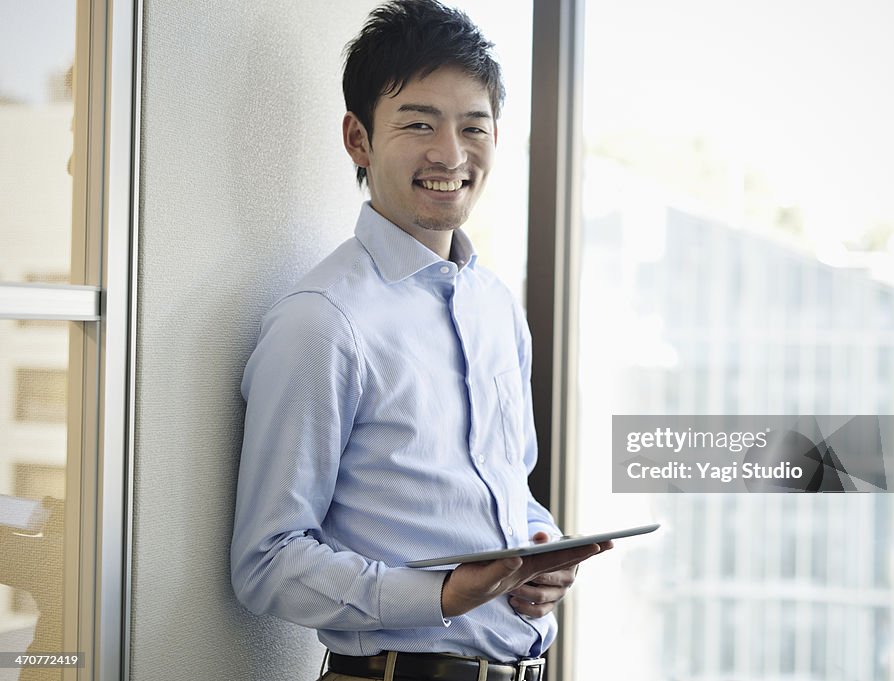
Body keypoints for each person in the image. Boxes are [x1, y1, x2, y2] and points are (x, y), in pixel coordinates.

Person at [229, 2, 611, 680]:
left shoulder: (495, 306)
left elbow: (508, 491)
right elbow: (266, 561)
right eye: (418, 123)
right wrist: (437, 595)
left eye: (473, 126)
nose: (450, 154)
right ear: (358, 139)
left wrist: (539, 552)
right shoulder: (322, 321)